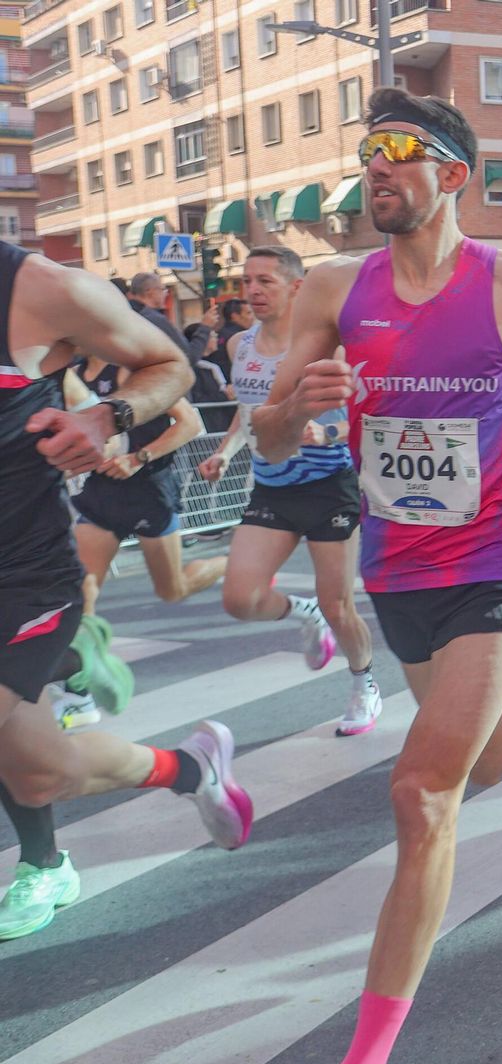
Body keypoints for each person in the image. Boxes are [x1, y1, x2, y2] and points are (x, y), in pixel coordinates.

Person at [250, 88, 502, 1064]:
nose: (375, 167)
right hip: (398, 565)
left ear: (452, 174)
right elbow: (267, 429)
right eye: (366, 153)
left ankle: (366, 1051)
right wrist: (297, 410)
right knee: (481, 757)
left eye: (398, 151)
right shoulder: (329, 288)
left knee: (420, 792)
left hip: (499, 554)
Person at [0, 244, 254, 943]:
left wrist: (106, 420)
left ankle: (75, 654)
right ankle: (186, 767)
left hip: (22, 574)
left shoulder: (36, 289)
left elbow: (168, 365)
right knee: (39, 775)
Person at [196, 246, 380, 736]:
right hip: (272, 486)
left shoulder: (331, 348)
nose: (252, 291)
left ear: (297, 288)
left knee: (341, 607)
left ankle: (364, 681)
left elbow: (368, 415)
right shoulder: (240, 347)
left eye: (265, 282)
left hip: (328, 486)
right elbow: (251, 411)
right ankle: (304, 613)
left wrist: (328, 434)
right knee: (239, 598)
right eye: (247, 280)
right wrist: (227, 453)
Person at [67, 357, 228, 618]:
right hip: (101, 493)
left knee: (172, 590)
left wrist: (137, 459)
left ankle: (231, 565)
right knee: (83, 591)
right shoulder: (74, 375)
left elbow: (190, 424)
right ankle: (86, 655)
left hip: (148, 491)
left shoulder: (132, 371)